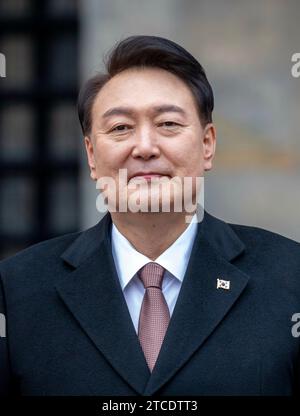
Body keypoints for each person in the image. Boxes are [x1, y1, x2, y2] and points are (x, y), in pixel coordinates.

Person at [0, 35, 300, 396]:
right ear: (92, 156)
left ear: (207, 145)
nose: (144, 147)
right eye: (121, 128)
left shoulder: (290, 278)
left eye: (168, 124)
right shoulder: (18, 291)